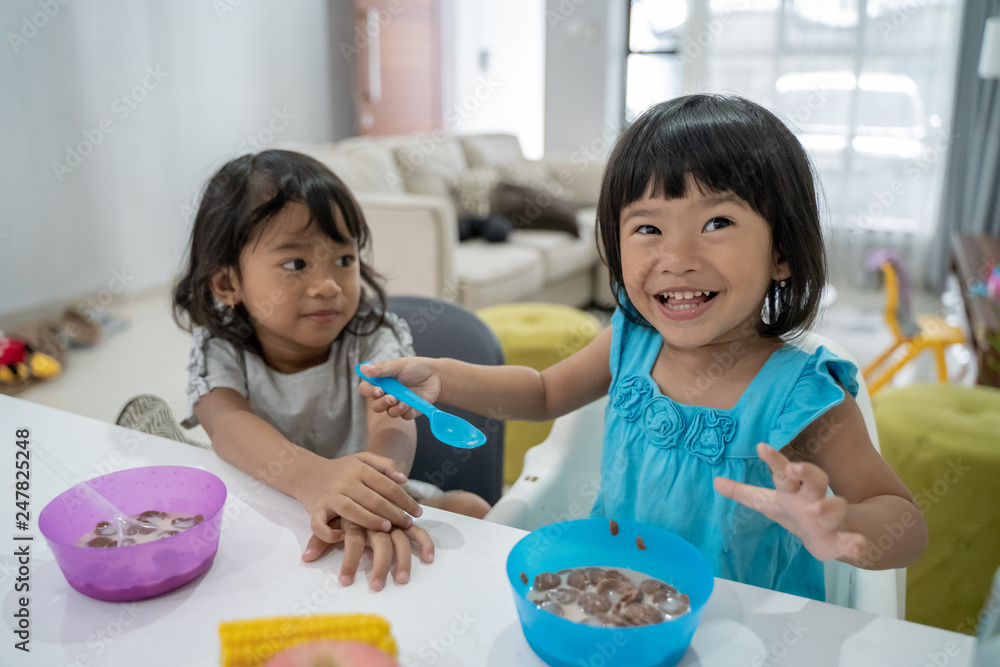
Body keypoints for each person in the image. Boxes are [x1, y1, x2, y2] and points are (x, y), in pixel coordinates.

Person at [359, 94, 928, 600]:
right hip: (615, 598)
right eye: (648, 229)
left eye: (717, 222)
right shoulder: (632, 338)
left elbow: (904, 522)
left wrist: (840, 526)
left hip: (748, 627)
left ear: (781, 253)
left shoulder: (802, 393)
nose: (675, 258)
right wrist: (444, 379)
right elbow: (541, 392)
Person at [172, 149, 491, 591]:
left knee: (474, 509)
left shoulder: (372, 338)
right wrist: (313, 478)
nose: (327, 285)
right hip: (274, 503)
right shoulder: (220, 348)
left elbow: (392, 422)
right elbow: (227, 424)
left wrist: (372, 499)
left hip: (374, 490)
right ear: (229, 284)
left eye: (343, 260)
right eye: (296, 264)